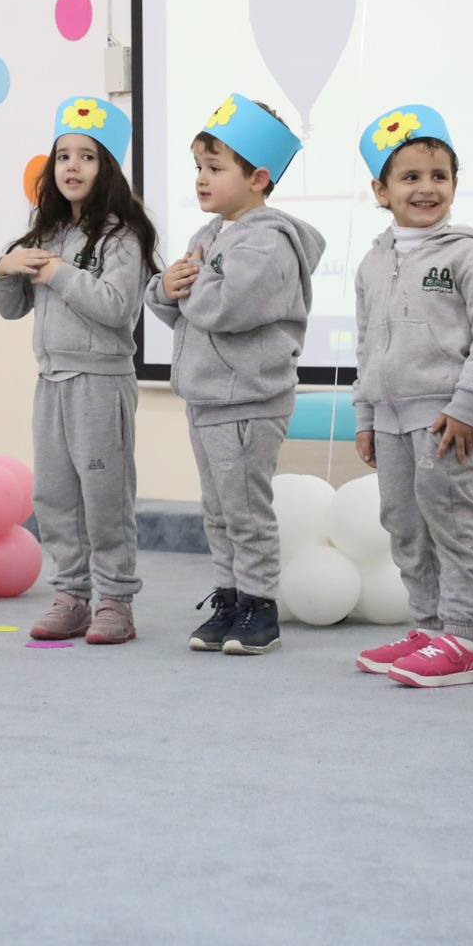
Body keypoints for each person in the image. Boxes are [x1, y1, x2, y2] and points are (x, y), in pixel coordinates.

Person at [147, 94, 324, 656]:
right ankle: (229, 599)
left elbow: (228, 307)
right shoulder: (209, 236)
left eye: (215, 167)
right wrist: (164, 287)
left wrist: (190, 288)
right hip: (208, 397)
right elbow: (183, 306)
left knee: (246, 510)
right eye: (198, 166)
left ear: (258, 178)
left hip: (248, 399)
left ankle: (260, 607)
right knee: (219, 512)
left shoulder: (268, 241)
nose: (202, 178)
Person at [347, 105, 473, 688]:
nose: (426, 188)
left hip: (445, 416)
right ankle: (429, 625)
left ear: (455, 185)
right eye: (410, 177)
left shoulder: (469, 255)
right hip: (388, 418)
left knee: (449, 520)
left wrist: (466, 406)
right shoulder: (372, 263)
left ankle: (461, 637)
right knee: (403, 523)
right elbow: (367, 344)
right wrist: (365, 413)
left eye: (439, 176)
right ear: (381, 191)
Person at [0, 96, 158, 645]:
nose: (71, 166)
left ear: (105, 167)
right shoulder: (46, 234)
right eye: (63, 156)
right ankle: (71, 595)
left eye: (86, 156)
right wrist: (3, 269)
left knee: (105, 497)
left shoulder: (123, 236)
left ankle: (115, 600)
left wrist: (59, 273)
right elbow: (13, 308)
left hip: (101, 383)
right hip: (51, 383)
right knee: (55, 497)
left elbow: (116, 307)